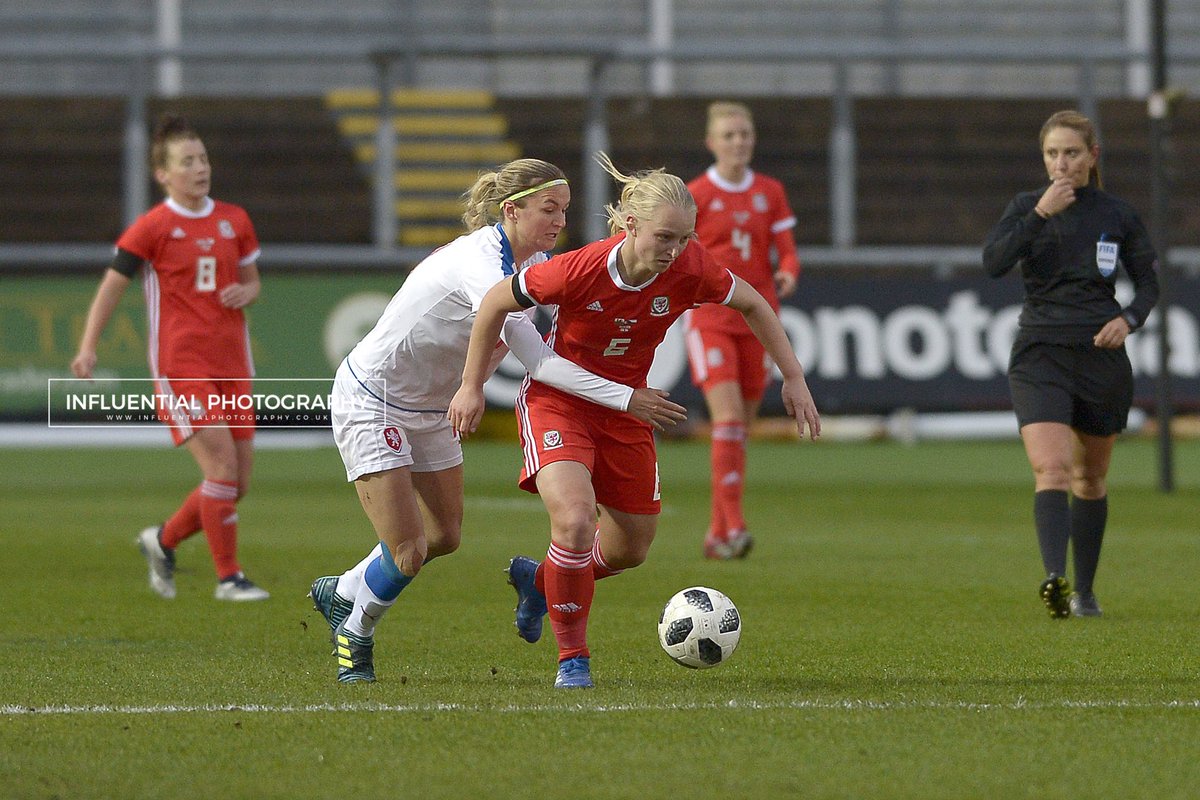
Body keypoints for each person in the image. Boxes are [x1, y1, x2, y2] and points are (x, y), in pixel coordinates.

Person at [448, 153, 820, 689]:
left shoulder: (692, 268)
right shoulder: (576, 268)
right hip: (561, 402)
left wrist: (794, 377)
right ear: (628, 224)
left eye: (685, 238)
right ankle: (572, 660)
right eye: (664, 237)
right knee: (575, 522)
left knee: (630, 549)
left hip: (627, 413)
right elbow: (493, 304)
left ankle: (542, 581)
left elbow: (756, 304)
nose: (675, 251)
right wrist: (469, 385)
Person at [308, 158, 686, 683]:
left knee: (444, 536)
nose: (558, 221)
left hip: (430, 410)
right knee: (408, 550)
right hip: (376, 398)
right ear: (511, 210)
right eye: (548, 209)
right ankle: (356, 631)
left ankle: (345, 588)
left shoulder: (532, 265)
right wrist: (627, 398)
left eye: (565, 211)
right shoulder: (483, 265)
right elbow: (542, 364)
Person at [71, 113, 269, 602]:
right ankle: (229, 578)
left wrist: (248, 292)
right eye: (187, 161)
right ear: (163, 174)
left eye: (202, 158)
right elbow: (112, 286)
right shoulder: (153, 227)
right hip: (182, 366)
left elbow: (252, 281)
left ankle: (161, 541)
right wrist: (88, 346)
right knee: (220, 468)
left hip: (233, 364)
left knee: (236, 482)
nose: (199, 168)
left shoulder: (234, 218)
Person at [982, 109, 1159, 619]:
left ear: (1092, 156)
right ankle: (1054, 579)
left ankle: (1086, 589)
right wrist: (1039, 213)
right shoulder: (1026, 206)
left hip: (1100, 357)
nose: (1061, 164)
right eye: (1052, 154)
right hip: (1040, 353)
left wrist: (1128, 318)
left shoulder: (1117, 215)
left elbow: (1148, 283)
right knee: (1052, 468)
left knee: (1091, 478)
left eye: (1071, 153)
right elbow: (993, 262)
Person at [685, 101, 802, 560]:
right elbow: (684, 252)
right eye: (729, 135)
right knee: (728, 419)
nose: (739, 143)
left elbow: (787, 250)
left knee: (740, 430)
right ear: (712, 142)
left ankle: (716, 534)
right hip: (712, 320)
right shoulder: (696, 194)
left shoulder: (770, 192)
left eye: (745, 135)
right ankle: (734, 524)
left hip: (759, 319)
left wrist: (789, 271)